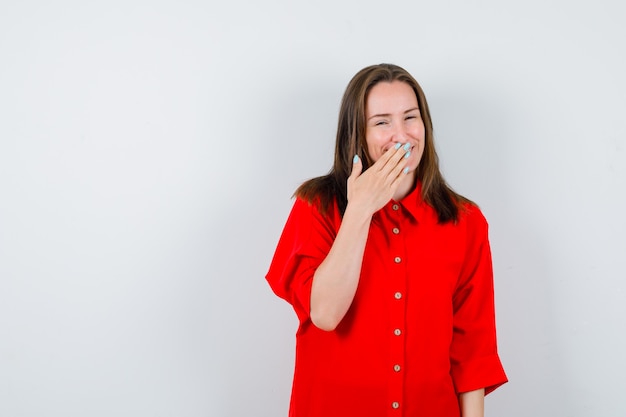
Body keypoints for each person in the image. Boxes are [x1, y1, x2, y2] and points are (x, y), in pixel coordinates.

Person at [265, 63, 507, 417]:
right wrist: (360, 209)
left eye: (410, 117)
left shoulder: (466, 222)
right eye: (382, 122)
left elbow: (473, 352)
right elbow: (326, 314)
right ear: (357, 133)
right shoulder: (315, 207)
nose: (402, 135)